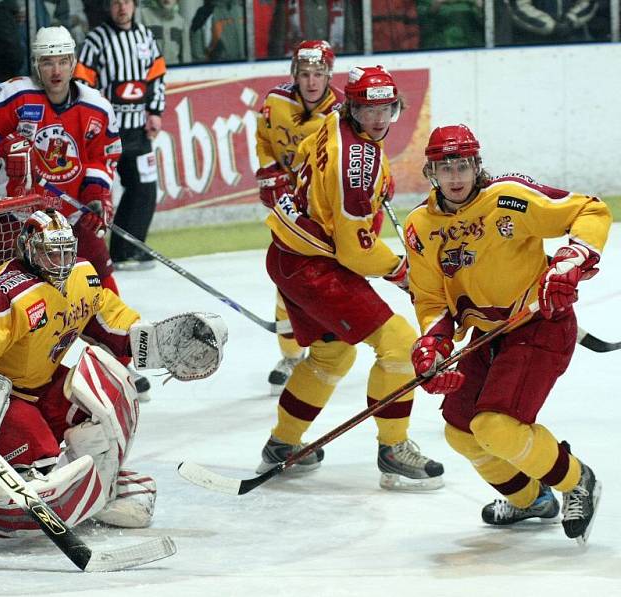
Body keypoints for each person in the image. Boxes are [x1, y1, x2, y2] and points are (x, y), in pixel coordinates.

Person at [0, 208, 227, 551]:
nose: (60, 260)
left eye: (65, 249)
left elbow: (110, 322)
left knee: (103, 409)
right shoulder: (9, 293)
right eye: (51, 250)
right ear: (30, 249)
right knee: (40, 469)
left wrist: (153, 341)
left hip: (40, 383)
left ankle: (98, 488)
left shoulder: (83, 277)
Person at [405, 124, 609, 543]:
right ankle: (531, 499)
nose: (456, 176)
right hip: (487, 334)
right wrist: (432, 344)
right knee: (460, 429)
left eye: (463, 165)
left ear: (477, 165)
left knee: (495, 425)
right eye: (446, 168)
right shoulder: (421, 227)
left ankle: (578, 481)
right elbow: (430, 301)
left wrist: (571, 259)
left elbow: (589, 210)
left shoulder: (509, 197)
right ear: (431, 173)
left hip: (540, 324)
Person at [257, 65, 444, 491]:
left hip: (288, 255)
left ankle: (282, 443)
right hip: (315, 266)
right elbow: (356, 251)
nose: (378, 120)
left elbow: (305, 151)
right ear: (352, 108)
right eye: (368, 110)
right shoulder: (355, 165)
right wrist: (403, 273)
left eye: (386, 109)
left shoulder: (331, 122)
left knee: (332, 354)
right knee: (399, 344)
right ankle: (394, 449)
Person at [0, 26, 156, 398]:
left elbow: (102, 155)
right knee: (18, 296)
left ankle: (118, 362)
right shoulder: (13, 94)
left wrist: (96, 195)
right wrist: (2, 147)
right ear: (37, 64)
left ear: (74, 62)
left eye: (63, 61)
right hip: (14, 218)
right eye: (48, 62)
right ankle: (2, 367)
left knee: (97, 283)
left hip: (71, 219)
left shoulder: (96, 105)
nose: (56, 70)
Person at [255, 40, 347, 395]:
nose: (311, 82)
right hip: (287, 208)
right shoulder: (275, 101)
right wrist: (268, 172)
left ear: (329, 74)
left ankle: (331, 346)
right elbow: (264, 139)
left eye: (319, 74)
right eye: (305, 74)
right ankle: (291, 354)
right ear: (295, 74)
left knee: (329, 281)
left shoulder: (342, 111)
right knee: (287, 279)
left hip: (325, 211)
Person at [76, 0, 166, 271]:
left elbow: (157, 76)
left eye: (126, 2)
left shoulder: (146, 37)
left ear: (135, 5)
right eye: (116, 2)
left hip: (139, 131)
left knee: (145, 188)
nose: (122, 8)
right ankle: (95, 255)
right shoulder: (96, 40)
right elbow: (81, 82)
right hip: (107, 134)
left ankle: (130, 250)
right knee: (98, 191)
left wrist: (155, 111)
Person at [267, 0, 360, 57]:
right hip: (299, 67)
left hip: (334, 65)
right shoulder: (288, 3)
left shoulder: (342, 2)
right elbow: (278, 40)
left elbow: (349, 40)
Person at [140, 0, 191, 64]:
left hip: (175, 70)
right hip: (151, 70)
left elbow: (186, 57)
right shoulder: (143, 16)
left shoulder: (181, 23)